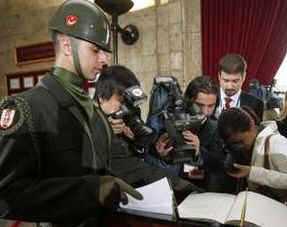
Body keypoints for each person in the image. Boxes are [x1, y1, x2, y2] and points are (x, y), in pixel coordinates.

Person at [0, 1, 142, 227]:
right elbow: (6, 195)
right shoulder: (27, 107)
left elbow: (119, 165)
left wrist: (176, 183)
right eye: (95, 50)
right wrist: (89, 190)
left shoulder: (93, 108)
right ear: (67, 46)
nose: (105, 60)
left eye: (104, 51)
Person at [154, 76, 237, 193]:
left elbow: (224, 165)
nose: (205, 112)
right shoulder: (170, 122)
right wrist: (162, 156)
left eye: (211, 106)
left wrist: (199, 152)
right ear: (188, 101)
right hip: (172, 191)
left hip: (204, 193)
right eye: (200, 105)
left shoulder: (218, 129)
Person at [95, 65, 171, 187]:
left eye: (129, 103)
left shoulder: (130, 114)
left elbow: (140, 155)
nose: (126, 109)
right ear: (102, 98)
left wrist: (138, 142)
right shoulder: (88, 122)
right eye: (121, 101)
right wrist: (104, 131)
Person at [217, 106, 287, 202]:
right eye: (234, 144)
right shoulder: (250, 146)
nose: (240, 147)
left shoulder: (276, 142)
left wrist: (251, 172)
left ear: (252, 125)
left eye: (241, 141)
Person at [214, 54, 264, 120]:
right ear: (219, 77)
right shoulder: (205, 98)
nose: (230, 87)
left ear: (244, 77)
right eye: (226, 80)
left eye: (235, 81)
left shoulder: (256, 104)